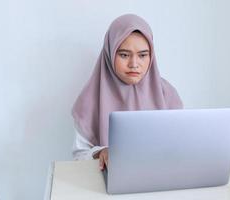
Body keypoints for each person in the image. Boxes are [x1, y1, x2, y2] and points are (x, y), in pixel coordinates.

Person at [71, 14, 183, 171]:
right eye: (124, 55)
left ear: (151, 57)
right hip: (107, 186)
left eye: (143, 55)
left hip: (160, 181)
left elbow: (181, 146)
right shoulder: (91, 98)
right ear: (110, 53)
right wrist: (100, 153)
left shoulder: (167, 94)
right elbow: (78, 156)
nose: (134, 64)